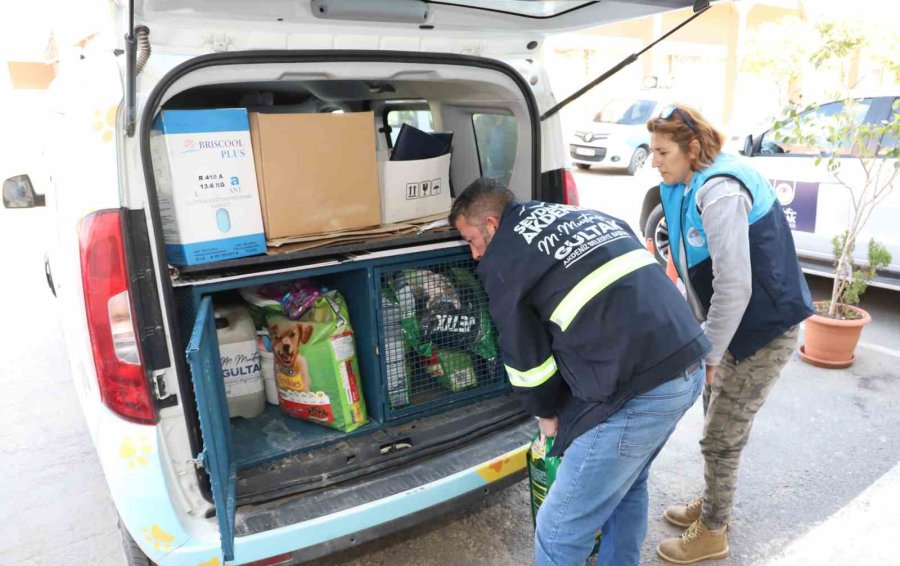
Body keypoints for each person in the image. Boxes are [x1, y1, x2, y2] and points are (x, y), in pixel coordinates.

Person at [449, 178, 711, 566]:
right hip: (687, 363)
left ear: (491, 224)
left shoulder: (504, 257)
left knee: (559, 529)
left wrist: (547, 415)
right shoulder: (575, 215)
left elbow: (525, 355)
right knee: (625, 485)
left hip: (642, 391)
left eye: (471, 240)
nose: (474, 254)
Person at [646, 105, 813, 564]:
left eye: (662, 152)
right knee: (714, 420)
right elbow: (691, 261)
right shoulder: (689, 182)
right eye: (652, 151)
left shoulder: (719, 190)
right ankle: (713, 503)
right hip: (729, 324)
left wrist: (710, 352)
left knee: (721, 436)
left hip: (761, 331)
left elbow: (735, 285)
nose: (654, 161)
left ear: (692, 149)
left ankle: (713, 531)